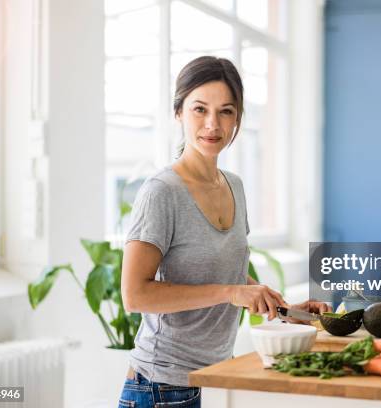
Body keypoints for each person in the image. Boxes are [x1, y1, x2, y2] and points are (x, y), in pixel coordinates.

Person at [118, 56, 331, 408]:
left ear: (238, 119)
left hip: (213, 379)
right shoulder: (161, 191)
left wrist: (286, 309)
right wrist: (230, 291)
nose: (212, 124)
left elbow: (225, 276)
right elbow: (135, 295)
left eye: (226, 111)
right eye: (199, 109)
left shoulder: (234, 185)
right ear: (179, 113)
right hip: (159, 388)